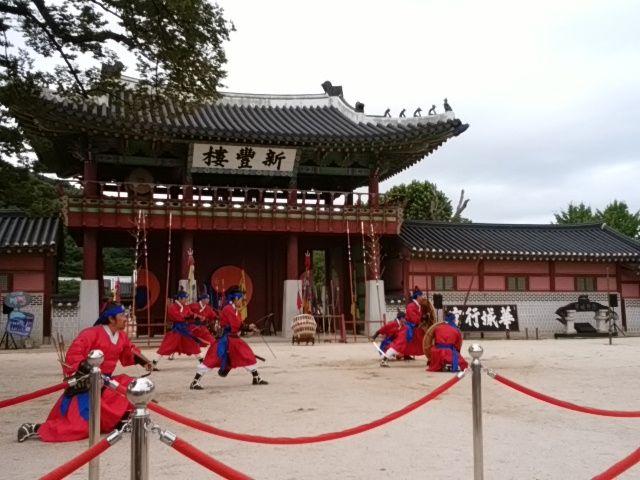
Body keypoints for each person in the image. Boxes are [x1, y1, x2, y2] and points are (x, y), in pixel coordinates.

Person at [17, 303, 153, 443]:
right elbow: (74, 354)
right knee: (78, 427)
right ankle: (34, 428)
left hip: (107, 381)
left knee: (132, 386)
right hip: (88, 382)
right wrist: (90, 371)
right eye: (122, 315)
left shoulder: (122, 336)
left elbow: (130, 352)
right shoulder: (91, 333)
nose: (126, 318)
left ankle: (122, 420)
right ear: (111, 318)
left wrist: (145, 362)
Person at [189, 291, 267, 390]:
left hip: (234, 339)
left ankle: (256, 377)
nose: (242, 302)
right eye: (241, 299)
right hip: (226, 340)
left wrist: (250, 328)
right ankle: (195, 382)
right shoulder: (228, 309)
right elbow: (236, 325)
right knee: (212, 359)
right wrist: (248, 327)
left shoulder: (235, 310)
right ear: (236, 299)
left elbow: (239, 324)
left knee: (247, 355)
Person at [154, 291, 204, 366]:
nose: (186, 300)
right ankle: (154, 362)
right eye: (185, 298)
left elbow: (191, 314)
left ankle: (202, 361)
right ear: (180, 298)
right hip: (177, 330)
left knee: (193, 344)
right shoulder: (173, 307)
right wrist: (188, 317)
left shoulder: (185, 307)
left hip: (184, 329)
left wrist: (198, 317)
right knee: (166, 346)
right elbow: (178, 317)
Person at [380, 288, 427, 367]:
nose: (422, 297)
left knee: (422, 342)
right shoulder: (411, 306)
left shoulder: (418, 306)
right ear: (418, 296)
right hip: (408, 329)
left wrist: (423, 318)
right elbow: (414, 319)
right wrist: (421, 319)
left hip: (415, 329)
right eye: (421, 296)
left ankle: (430, 358)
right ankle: (384, 359)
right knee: (398, 344)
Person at [188, 293, 218, 358]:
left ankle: (213, 355)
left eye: (208, 299)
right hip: (193, 328)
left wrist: (219, 318)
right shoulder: (193, 305)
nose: (208, 300)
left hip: (203, 329)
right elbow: (186, 311)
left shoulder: (208, 308)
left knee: (213, 341)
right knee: (186, 343)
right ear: (202, 299)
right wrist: (195, 315)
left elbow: (214, 316)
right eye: (207, 299)